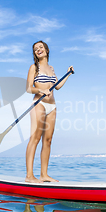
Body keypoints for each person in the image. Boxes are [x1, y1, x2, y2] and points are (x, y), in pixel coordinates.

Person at [25, 41, 74, 183]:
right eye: (35, 49)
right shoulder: (34, 67)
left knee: (48, 140)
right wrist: (40, 90)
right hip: (38, 104)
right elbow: (28, 88)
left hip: (52, 106)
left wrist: (68, 74)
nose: (38, 50)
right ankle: (29, 176)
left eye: (40, 47)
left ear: (46, 50)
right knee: (35, 138)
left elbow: (57, 86)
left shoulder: (51, 68)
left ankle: (44, 175)